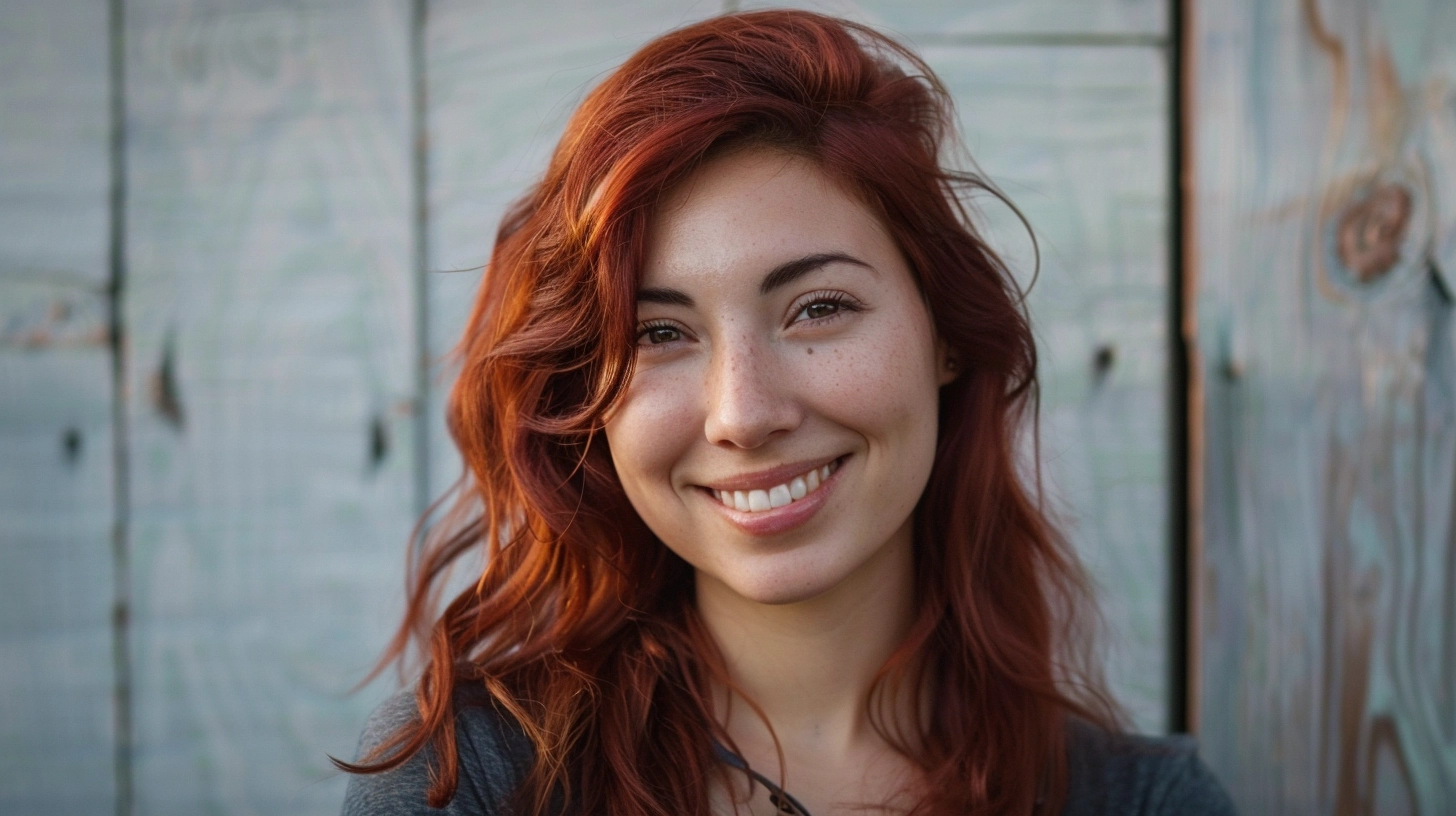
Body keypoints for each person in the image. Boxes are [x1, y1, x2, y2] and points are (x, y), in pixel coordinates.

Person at [338, 10, 1236, 816]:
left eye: (818, 308)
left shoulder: (1142, 803)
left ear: (945, 335)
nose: (744, 414)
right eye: (658, 331)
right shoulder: (472, 781)